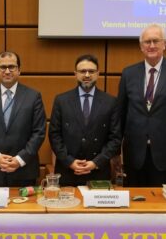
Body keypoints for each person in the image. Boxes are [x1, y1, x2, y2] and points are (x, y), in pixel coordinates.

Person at [118, 23, 166, 187]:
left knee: (160, 204)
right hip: (134, 154)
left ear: (164, 44)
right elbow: (121, 114)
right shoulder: (128, 73)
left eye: (156, 41)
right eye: (147, 42)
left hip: (165, 153)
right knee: (134, 203)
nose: (151, 45)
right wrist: (115, 152)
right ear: (141, 46)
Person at [0, 51, 46, 187]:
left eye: (12, 67)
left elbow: (39, 132)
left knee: (24, 208)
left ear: (19, 70)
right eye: (3, 67)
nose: (7, 71)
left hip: (24, 171)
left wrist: (19, 159)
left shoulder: (33, 96)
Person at [49, 54, 122, 186]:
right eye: (83, 71)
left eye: (91, 71)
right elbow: (54, 135)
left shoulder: (110, 102)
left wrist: (95, 163)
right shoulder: (61, 101)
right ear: (75, 74)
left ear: (98, 73)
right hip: (68, 172)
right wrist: (70, 162)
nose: (87, 75)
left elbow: (115, 139)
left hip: (98, 172)